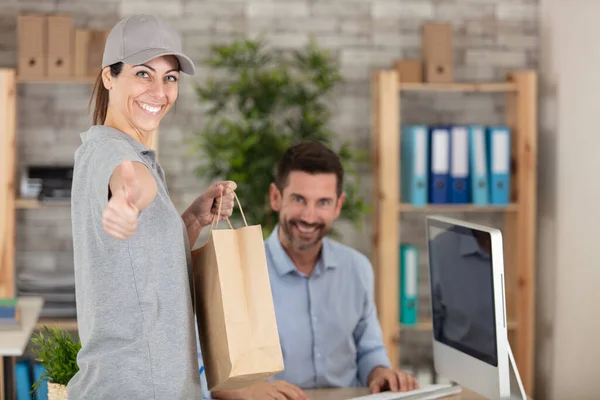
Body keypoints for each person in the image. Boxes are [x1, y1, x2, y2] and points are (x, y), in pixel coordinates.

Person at [68, 14, 236, 399]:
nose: (160, 91)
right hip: (135, 387)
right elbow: (129, 180)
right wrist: (128, 197)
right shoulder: (112, 151)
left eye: (171, 77)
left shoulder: (134, 153)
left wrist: (190, 222)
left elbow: (144, 269)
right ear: (109, 76)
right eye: (144, 74)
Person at [198, 141, 419, 400]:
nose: (309, 216)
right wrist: (244, 391)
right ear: (276, 198)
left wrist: (380, 373)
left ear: (338, 205)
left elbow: (368, 349)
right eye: (299, 199)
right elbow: (200, 368)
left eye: (323, 202)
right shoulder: (237, 269)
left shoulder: (356, 268)